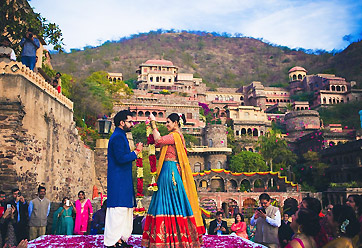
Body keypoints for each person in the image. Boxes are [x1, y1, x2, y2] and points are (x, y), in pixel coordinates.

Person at [141, 113, 204, 247]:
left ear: (176, 122)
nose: (167, 124)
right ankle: (173, 237)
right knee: (170, 201)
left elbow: (158, 140)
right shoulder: (174, 136)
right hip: (168, 170)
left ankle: (169, 238)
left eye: (168, 122)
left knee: (169, 200)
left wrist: (153, 123)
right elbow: (157, 144)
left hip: (170, 171)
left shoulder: (175, 136)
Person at [104, 110, 143, 248]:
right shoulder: (118, 137)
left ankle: (120, 240)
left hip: (123, 179)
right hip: (119, 180)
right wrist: (136, 152)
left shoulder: (120, 136)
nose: (132, 124)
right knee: (118, 210)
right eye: (130, 121)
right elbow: (121, 159)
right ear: (122, 123)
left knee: (125, 209)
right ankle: (113, 242)